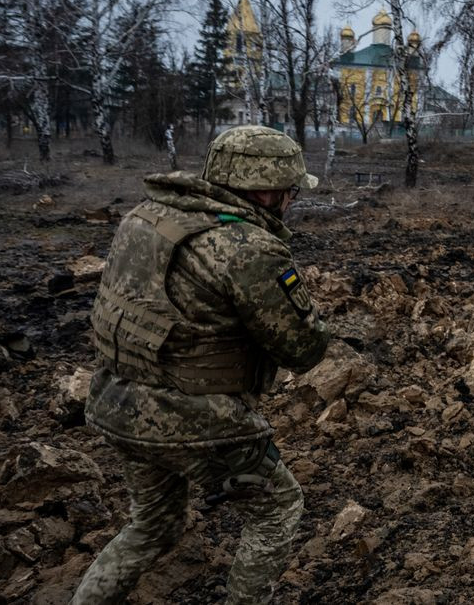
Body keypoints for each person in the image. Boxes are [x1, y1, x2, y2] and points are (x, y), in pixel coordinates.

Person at [72, 126, 332, 604]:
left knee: (151, 525)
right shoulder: (247, 247)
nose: (292, 202)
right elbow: (304, 350)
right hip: (194, 420)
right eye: (291, 191)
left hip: (115, 401)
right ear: (268, 190)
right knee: (278, 508)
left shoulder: (144, 217)